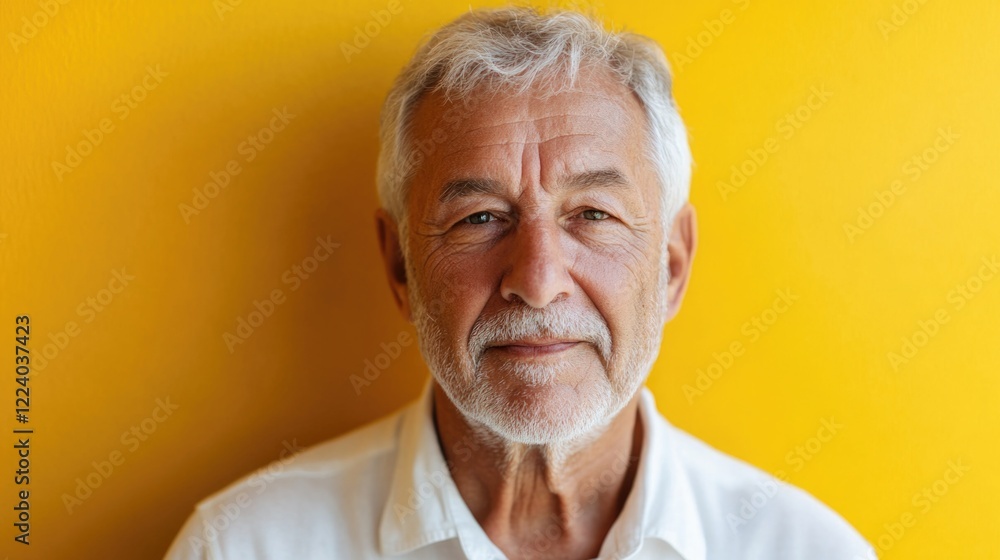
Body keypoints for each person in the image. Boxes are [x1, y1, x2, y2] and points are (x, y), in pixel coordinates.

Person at [165, 7, 874, 559]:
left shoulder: (809, 551)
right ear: (401, 268)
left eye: (593, 214)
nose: (537, 282)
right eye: (479, 217)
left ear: (672, 265)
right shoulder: (242, 547)